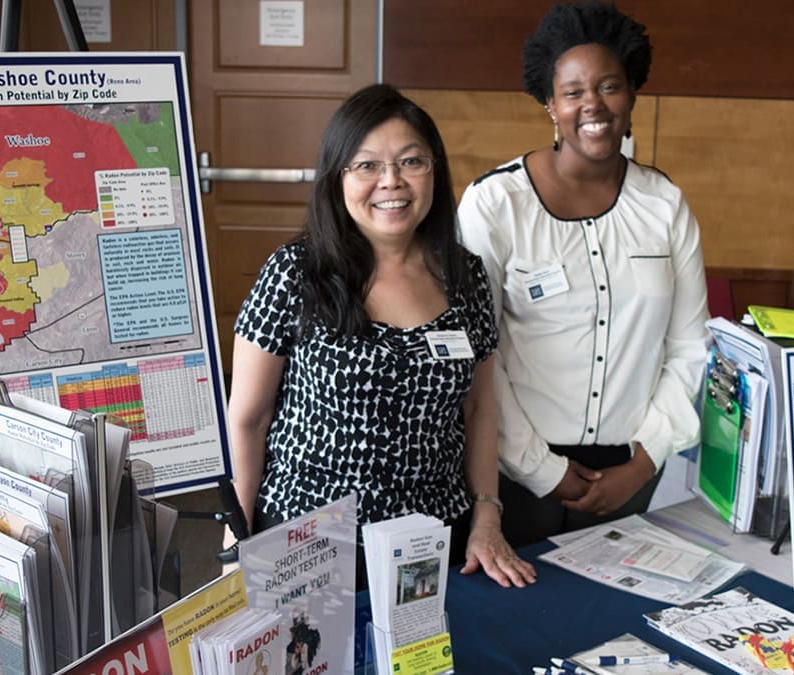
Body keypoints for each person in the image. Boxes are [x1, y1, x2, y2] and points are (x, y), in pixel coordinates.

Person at [228, 83, 537, 589]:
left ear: (434, 169)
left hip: (432, 539)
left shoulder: (465, 276)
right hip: (309, 541)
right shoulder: (295, 273)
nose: (391, 182)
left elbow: (480, 409)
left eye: (411, 162)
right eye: (366, 165)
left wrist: (487, 515)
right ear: (337, 178)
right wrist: (235, 541)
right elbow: (249, 418)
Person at [457, 1, 710, 548]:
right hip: (514, 473)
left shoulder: (665, 206)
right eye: (573, 92)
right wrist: (543, 470)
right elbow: (481, 356)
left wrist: (643, 462)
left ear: (633, 93)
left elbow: (690, 348)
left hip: (633, 474)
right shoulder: (495, 205)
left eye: (609, 86)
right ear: (550, 103)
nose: (592, 105)